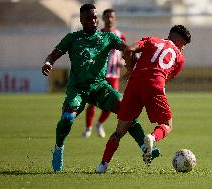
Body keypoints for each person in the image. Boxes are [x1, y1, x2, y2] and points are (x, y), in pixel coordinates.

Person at [41, 4, 160, 172]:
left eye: (95, 17)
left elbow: (127, 49)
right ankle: (59, 148)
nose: (94, 20)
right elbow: (53, 55)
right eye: (89, 18)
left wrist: (132, 63)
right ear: (81, 20)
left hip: (99, 87)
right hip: (78, 89)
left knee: (127, 109)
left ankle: (145, 148)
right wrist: (48, 63)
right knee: (67, 118)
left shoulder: (107, 37)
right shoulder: (72, 38)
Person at [95, 25, 191, 174]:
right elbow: (166, 78)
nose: (183, 48)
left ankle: (103, 165)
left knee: (119, 131)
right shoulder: (179, 57)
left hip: (134, 84)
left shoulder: (151, 40)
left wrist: (130, 69)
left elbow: (127, 50)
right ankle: (152, 138)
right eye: (183, 45)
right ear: (178, 40)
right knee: (167, 124)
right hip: (155, 86)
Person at [82, 8, 126, 138]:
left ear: (114, 18)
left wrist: (123, 63)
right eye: (107, 17)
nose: (109, 19)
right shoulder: (97, 34)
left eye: (112, 17)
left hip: (114, 75)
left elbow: (125, 55)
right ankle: (88, 128)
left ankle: (99, 124)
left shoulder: (120, 35)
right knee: (92, 102)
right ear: (103, 18)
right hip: (98, 75)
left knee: (114, 102)